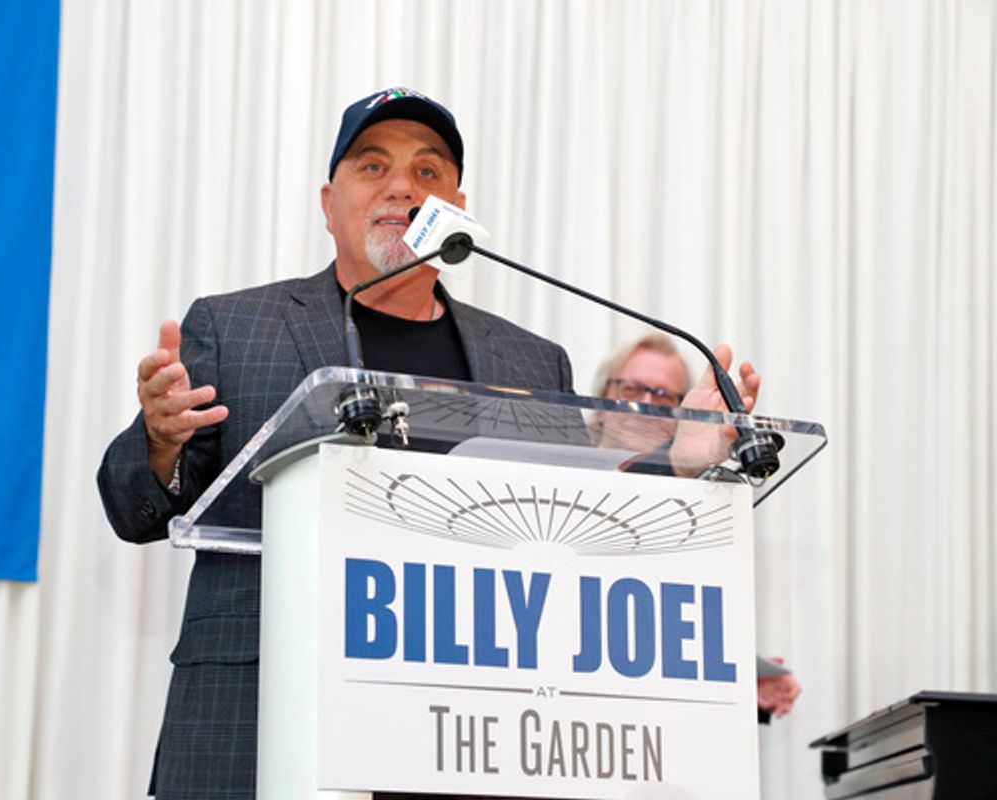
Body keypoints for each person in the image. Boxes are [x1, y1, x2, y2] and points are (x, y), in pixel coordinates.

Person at [97, 87, 577, 799]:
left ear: (457, 206)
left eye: (427, 171)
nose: (401, 189)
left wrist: (681, 466)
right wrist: (160, 439)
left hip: (466, 727)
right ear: (329, 202)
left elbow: (562, 537)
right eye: (372, 166)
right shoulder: (235, 327)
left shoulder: (533, 363)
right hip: (260, 717)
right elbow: (134, 511)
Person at [589, 333, 802, 723]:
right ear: (600, 400)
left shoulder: (702, 514)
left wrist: (741, 680)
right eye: (632, 388)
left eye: (663, 395)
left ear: (682, 414)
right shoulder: (550, 479)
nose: (645, 404)